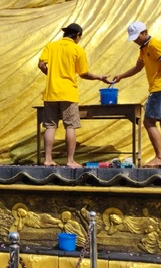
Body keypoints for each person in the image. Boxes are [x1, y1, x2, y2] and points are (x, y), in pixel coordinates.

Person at [112, 21, 161, 168]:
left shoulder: (154, 45)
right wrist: (121, 76)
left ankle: (160, 157)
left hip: (160, 89)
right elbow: (138, 67)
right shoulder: (143, 49)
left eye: (136, 37)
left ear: (144, 32)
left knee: (148, 122)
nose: (135, 41)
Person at [38, 23, 111, 167]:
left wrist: (51, 75)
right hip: (68, 93)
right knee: (70, 126)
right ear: (77, 36)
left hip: (51, 93)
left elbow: (41, 64)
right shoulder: (77, 50)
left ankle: (47, 160)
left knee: (50, 126)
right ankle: (70, 161)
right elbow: (84, 73)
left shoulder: (51, 46)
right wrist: (99, 77)